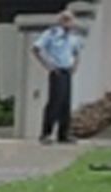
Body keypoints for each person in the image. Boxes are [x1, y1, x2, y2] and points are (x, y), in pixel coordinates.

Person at [31, 10, 84, 145]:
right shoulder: (52, 34)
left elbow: (77, 52)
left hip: (67, 72)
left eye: (70, 20)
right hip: (57, 72)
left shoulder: (73, 37)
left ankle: (63, 134)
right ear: (60, 21)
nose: (69, 23)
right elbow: (36, 49)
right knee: (55, 102)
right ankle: (46, 133)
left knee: (65, 103)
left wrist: (75, 65)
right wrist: (48, 65)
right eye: (65, 20)